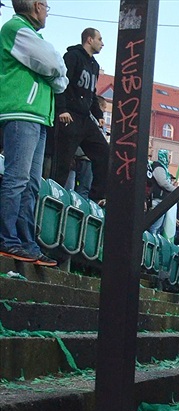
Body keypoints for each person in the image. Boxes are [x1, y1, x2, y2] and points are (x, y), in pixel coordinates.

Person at [0, 0, 68, 265]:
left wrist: (56, 73)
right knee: (17, 178)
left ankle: (26, 242)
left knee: (31, 183)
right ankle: (8, 239)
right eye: (47, 7)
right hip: (21, 112)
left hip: (37, 116)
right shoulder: (17, 28)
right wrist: (55, 73)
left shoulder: (28, 34)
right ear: (37, 5)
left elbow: (57, 74)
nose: (47, 12)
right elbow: (54, 65)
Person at [52, 27, 108, 202]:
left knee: (104, 153)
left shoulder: (94, 66)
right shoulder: (72, 57)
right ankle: (54, 193)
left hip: (85, 118)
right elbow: (62, 83)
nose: (102, 43)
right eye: (100, 39)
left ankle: (96, 197)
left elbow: (92, 94)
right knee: (63, 159)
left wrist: (98, 114)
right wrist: (62, 109)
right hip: (69, 115)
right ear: (89, 40)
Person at [146, 148, 176, 235]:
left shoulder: (164, 168)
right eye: (169, 157)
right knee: (154, 226)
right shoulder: (158, 166)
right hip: (157, 200)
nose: (170, 159)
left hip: (161, 200)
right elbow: (162, 182)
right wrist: (175, 190)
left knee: (158, 226)